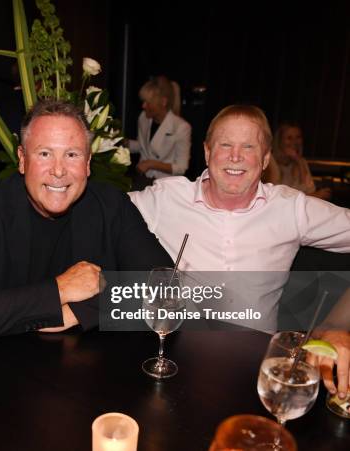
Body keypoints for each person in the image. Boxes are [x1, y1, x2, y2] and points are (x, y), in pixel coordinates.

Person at [129, 104, 350, 400]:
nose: (235, 156)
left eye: (248, 146)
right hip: (171, 363)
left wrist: (336, 325)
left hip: (257, 377)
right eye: (225, 145)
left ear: (265, 158)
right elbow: (101, 218)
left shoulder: (292, 209)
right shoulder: (165, 198)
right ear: (207, 152)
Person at [0, 100, 172, 340]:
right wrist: (60, 289)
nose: (59, 171)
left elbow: (169, 291)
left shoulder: (112, 206)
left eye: (72, 154)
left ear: (88, 164)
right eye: (45, 153)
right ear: (22, 159)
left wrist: (81, 312)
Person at [127, 76, 191, 189]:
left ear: (163, 102)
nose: (143, 106)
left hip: (166, 186)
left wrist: (151, 164)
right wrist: (122, 143)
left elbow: (181, 167)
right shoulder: (143, 118)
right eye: (143, 101)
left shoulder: (181, 127)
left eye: (148, 102)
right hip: (143, 180)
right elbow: (143, 146)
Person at [263, 122, 331, 200]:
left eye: (298, 137)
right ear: (279, 141)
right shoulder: (269, 161)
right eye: (289, 138)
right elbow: (277, 196)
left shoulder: (301, 161)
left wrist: (299, 162)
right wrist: (315, 196)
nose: (294, 142)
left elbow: (310, 189)